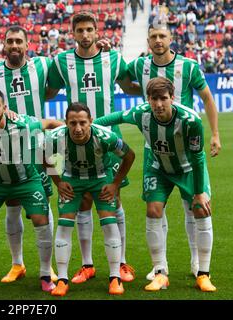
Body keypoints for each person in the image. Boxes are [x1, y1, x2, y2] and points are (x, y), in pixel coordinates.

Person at [95, 77, 216, 292]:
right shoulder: (141, 113)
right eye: (154, 99)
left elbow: (198, 158)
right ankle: (160, 272)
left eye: (163, 98)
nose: (159, 104)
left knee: (201, 209)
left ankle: (203, 274)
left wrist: (199, 193)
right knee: (153, 211)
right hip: (158, 168)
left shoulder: (190, 120)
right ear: (148, 99)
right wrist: (90, 126)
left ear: (172, 98)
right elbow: (115, 117)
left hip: (188, 167)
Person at [47, 12, 141, 284]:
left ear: (97, 31)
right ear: (72, 33)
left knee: (113, 198)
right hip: (75, 136)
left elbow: (128, 85)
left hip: (108, 136)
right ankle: (87, 265)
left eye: (90, 29)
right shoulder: (62, 62)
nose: (85, 35)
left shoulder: (113, 58)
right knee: (84, 201)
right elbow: (49, 92)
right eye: (80, 30)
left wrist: (151, 91)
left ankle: (121, 263)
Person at [126, 24, 221, 280]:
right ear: (148, 41)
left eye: (162, 36)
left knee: (193, 206)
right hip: (155, 147)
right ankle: (161, 267)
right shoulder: (139, 66)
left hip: (184, 145)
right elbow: (122, 80)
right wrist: (138, 90)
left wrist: (215, 134)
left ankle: (196, 261)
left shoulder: (188, 66)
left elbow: (207, 98)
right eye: (153, 37)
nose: (158, 40)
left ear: (171, 38)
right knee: (155, 207)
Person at [0, 88, 64, 294]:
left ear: (5, 107)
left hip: (26, 180)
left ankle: (46, 274)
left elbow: (48, 124)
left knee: (41, 220)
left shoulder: (23, 124)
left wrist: (69, 129)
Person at [0, 25, 58, 283]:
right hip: (7, 149)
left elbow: (54, 87)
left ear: (27, 44)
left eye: (18, 41)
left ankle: (49, 268)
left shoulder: (43, 65)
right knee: (12, 207)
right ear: (4, 45)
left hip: (37, 145)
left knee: (44, 204)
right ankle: (17, 264)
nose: (14, 45)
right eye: (9, 41)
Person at [46, 102, 135, 296]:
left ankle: (115, 278)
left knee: (109, 223)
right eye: (73, 123)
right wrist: (58, 182)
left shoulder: (105, 136)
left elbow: (129, 156)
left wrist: (115, 184)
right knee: (64, 224)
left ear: (91, 122)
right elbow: (44, 157)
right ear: (65, 123)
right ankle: (62, 280)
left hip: (100, 178)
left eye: (82, 123)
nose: (78, 128)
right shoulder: (55, 137)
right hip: (72, 179)